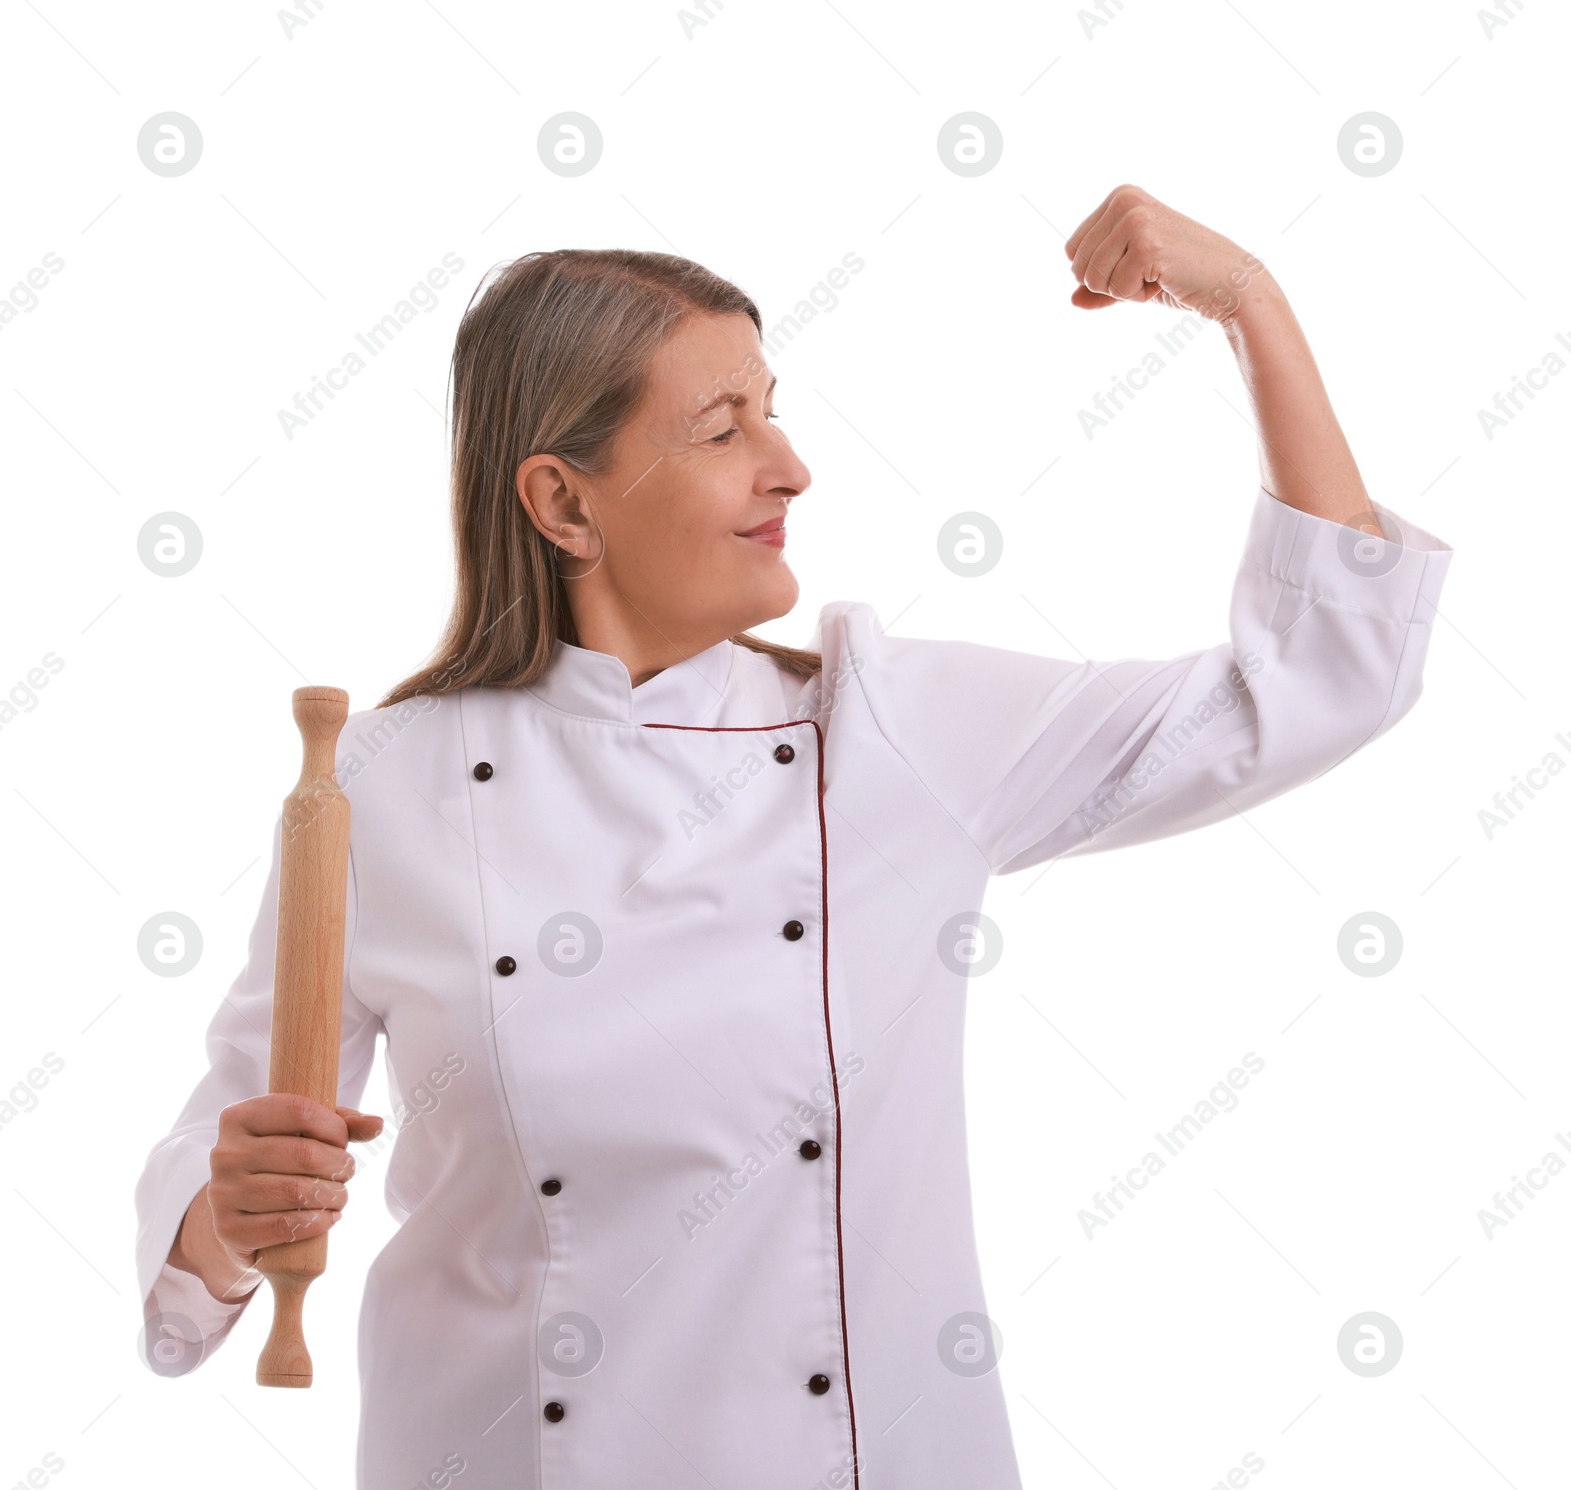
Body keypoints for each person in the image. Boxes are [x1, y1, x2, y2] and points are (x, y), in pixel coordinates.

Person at [133, 185, 1454, 1490]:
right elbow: (206, 1225)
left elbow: (1320, 682)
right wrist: (229, 1219)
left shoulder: (892, 730)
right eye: (722, 427)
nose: (792, 466)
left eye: (772, 409)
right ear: (563, 502)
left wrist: (1249, 307)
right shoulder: (378, 784)